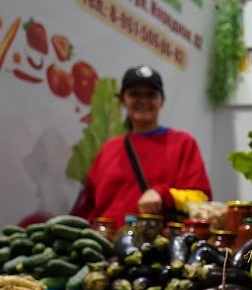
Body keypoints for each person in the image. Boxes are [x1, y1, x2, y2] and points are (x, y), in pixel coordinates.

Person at [72, 64, 212, 226]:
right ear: (123, 100)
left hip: (157, 245)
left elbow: (202, 201)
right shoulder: (108, 149)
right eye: (134, 94)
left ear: (162, 101)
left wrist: (163, 195)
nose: (143, 101)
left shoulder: (183, 143)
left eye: (151, 95)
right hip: (105, 244)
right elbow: (87, 206)